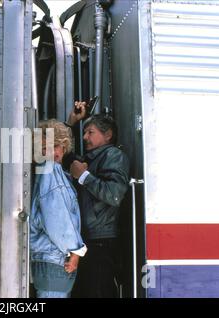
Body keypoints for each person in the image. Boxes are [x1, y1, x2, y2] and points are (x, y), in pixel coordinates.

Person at [66, 102, 130, 298]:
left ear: (108, 135)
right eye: (84, 132)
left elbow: (114, 194)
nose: (85, 137)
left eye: (90, 132)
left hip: (101, 243)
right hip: (89, 241)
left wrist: (84, 177)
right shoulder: (92, 158)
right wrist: (71, 123)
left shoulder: (114, 155)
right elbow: (60, 152)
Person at [30, 119, 87, 298]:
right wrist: (76, 251)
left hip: (46, 259)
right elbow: (57, 218)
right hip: (56, 259)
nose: (50, 152)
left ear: (64, 147)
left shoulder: (44, 173)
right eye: (43, 148)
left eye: (54, 145)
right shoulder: (50, 171)